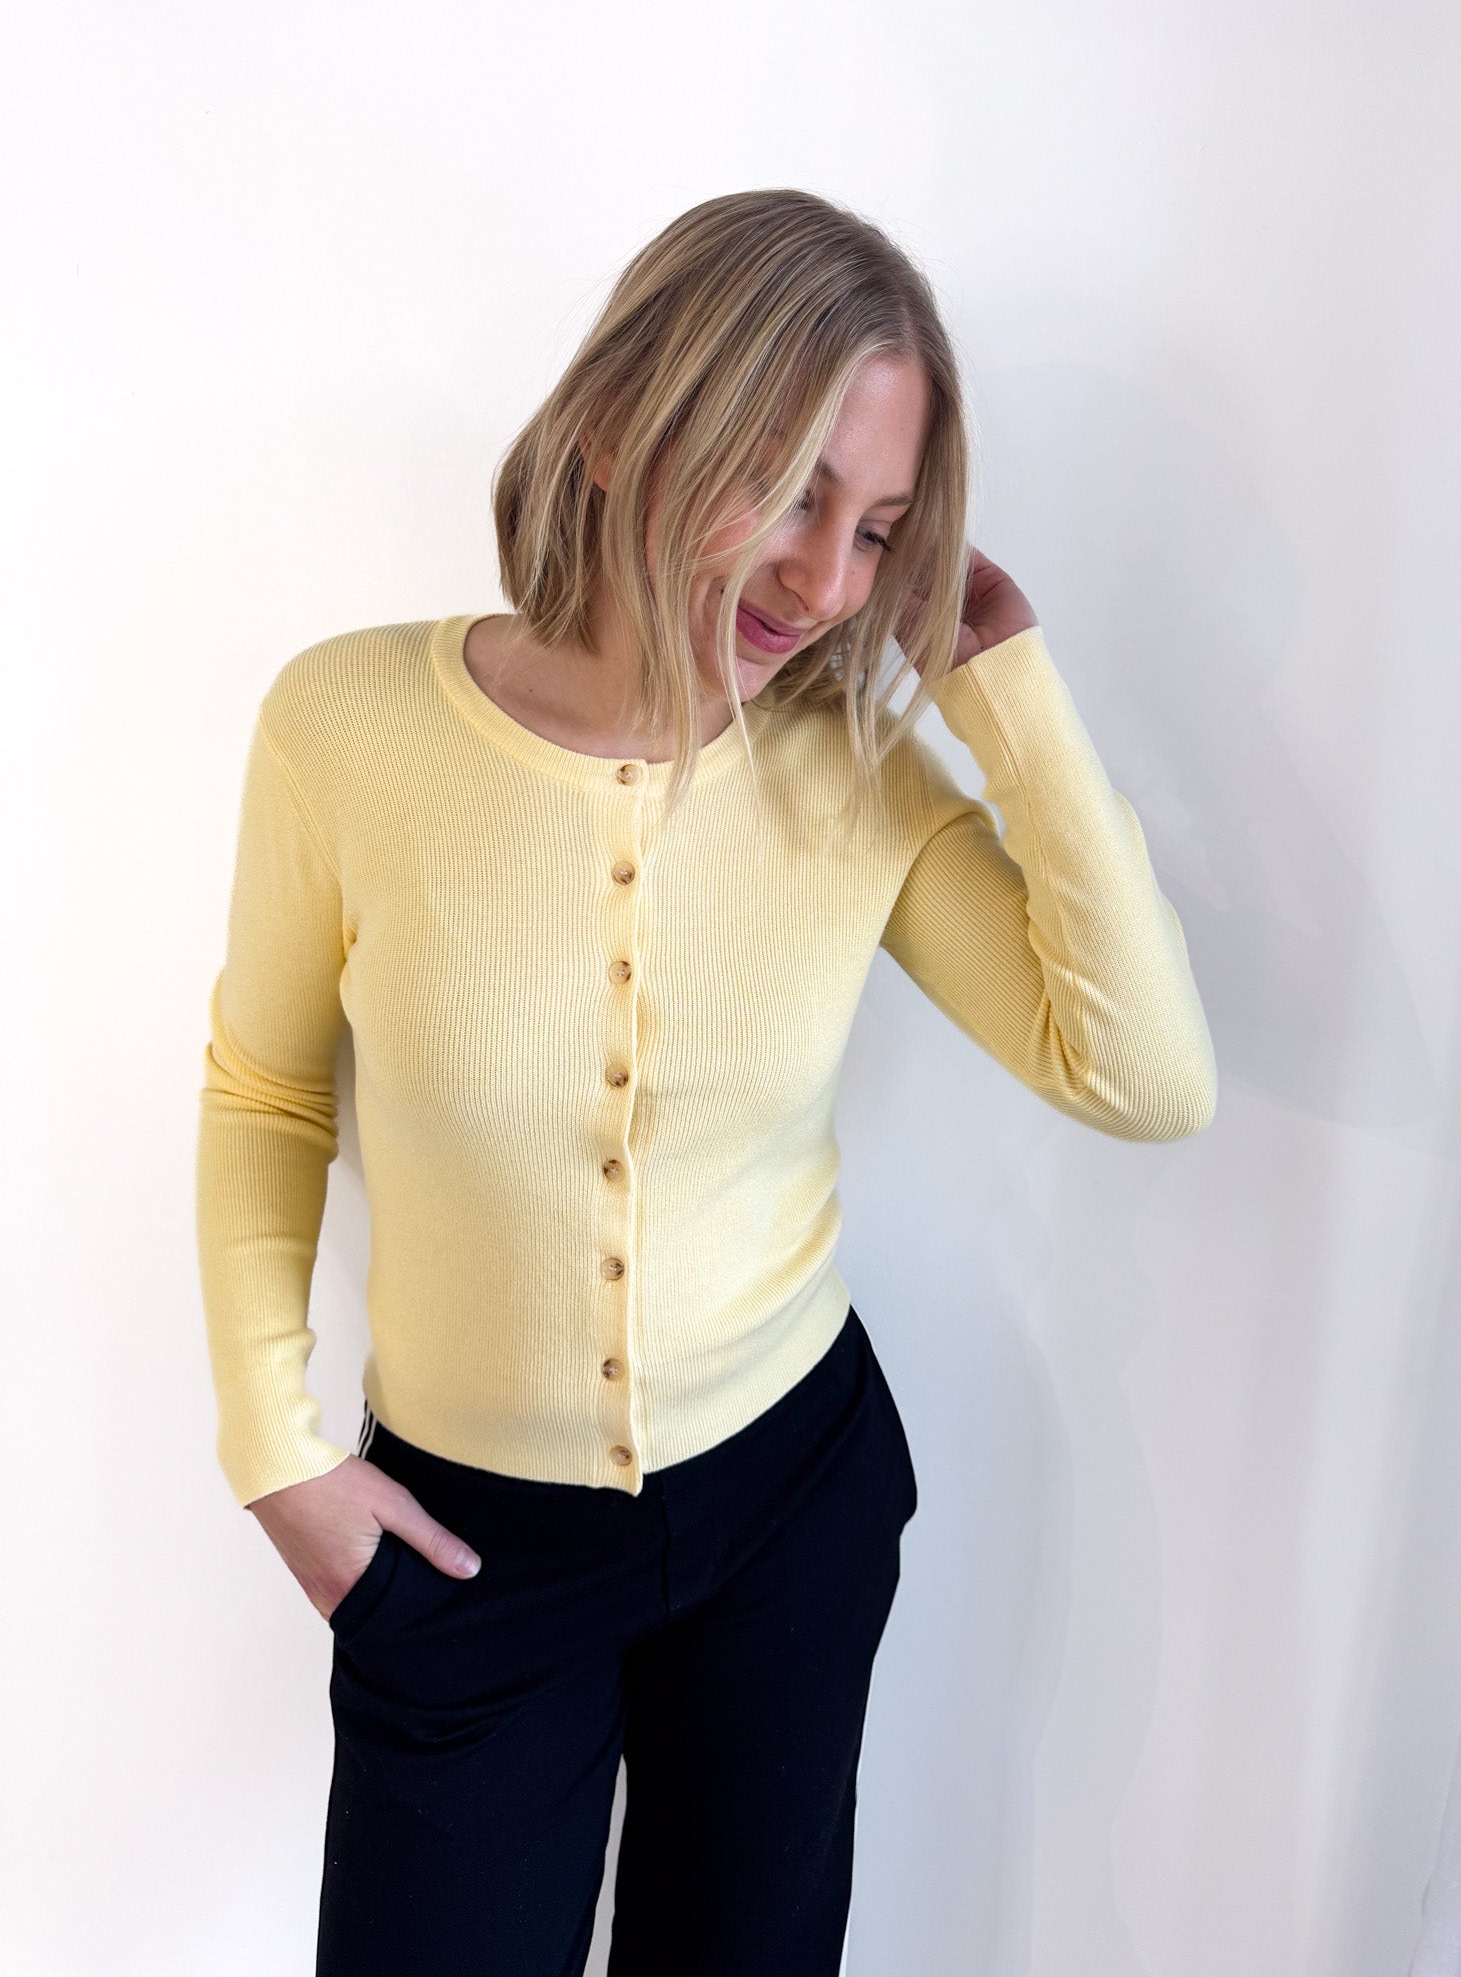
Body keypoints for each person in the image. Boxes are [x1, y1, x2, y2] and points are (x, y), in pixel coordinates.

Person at [195, 186, 1217, 1977]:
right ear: (618, 427)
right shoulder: (345, 727)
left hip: (789, 1512)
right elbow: (266, 1090)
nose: (829, 586)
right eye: (791, 490)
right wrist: (272, 1446)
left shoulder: (860, 776)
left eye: (881, 530)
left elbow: (1140, 1077)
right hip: (464, 1550)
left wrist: (1004, 689)